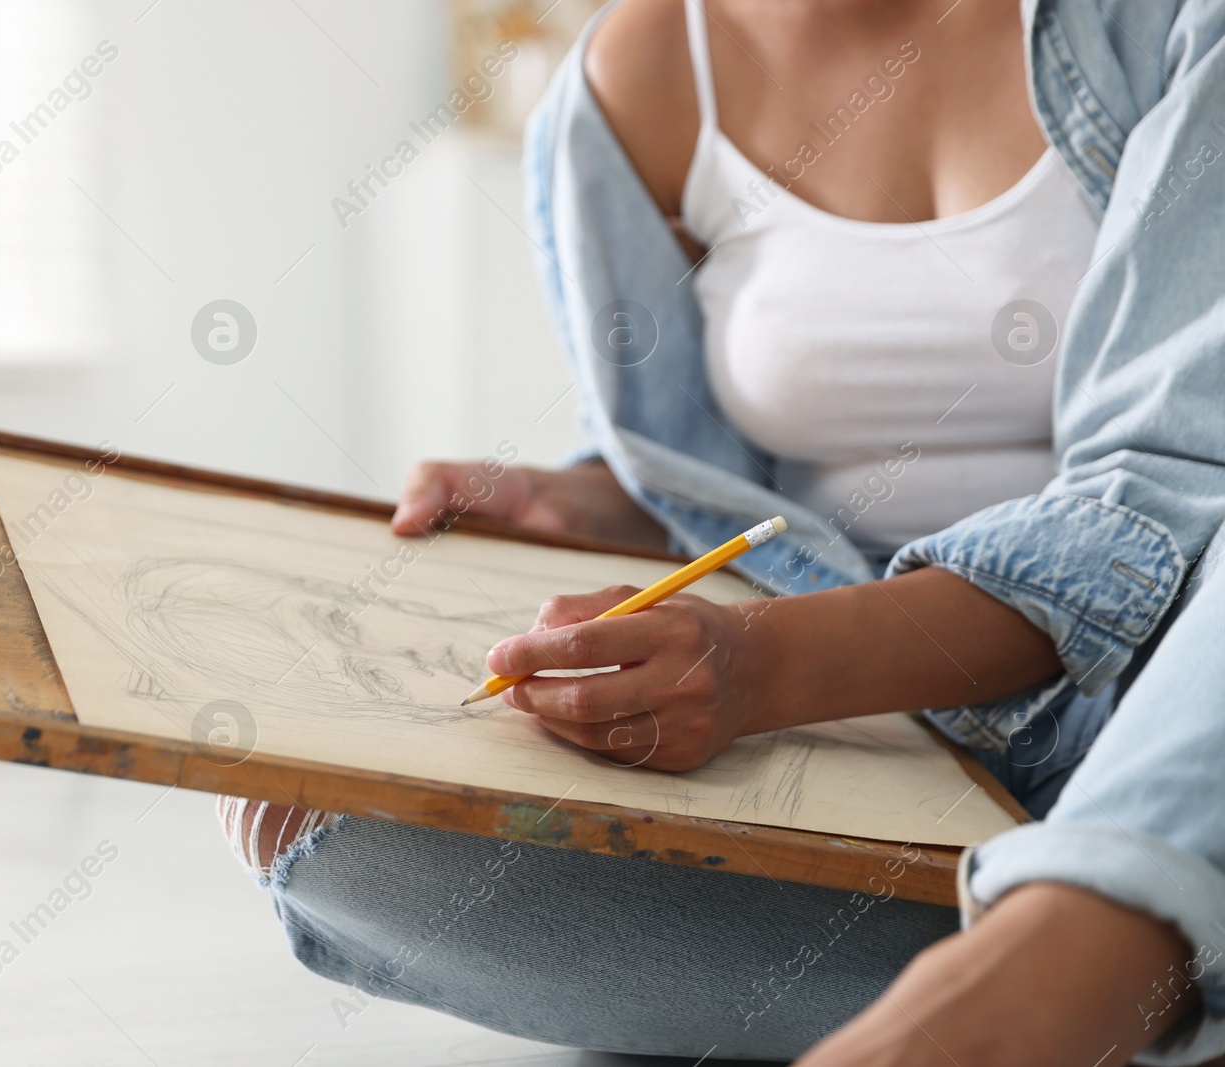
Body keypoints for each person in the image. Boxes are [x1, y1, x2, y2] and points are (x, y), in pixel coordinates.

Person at [221, 1, 1225, 1063]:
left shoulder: (1169, 24)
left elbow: (1170, 480)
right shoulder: (638, 72)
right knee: (340, 846)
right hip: (871, 753)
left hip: (1160, 709)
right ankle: (1125, 957)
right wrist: (581, 504)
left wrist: (766, 665)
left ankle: (1043, 978)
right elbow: (711, 483)